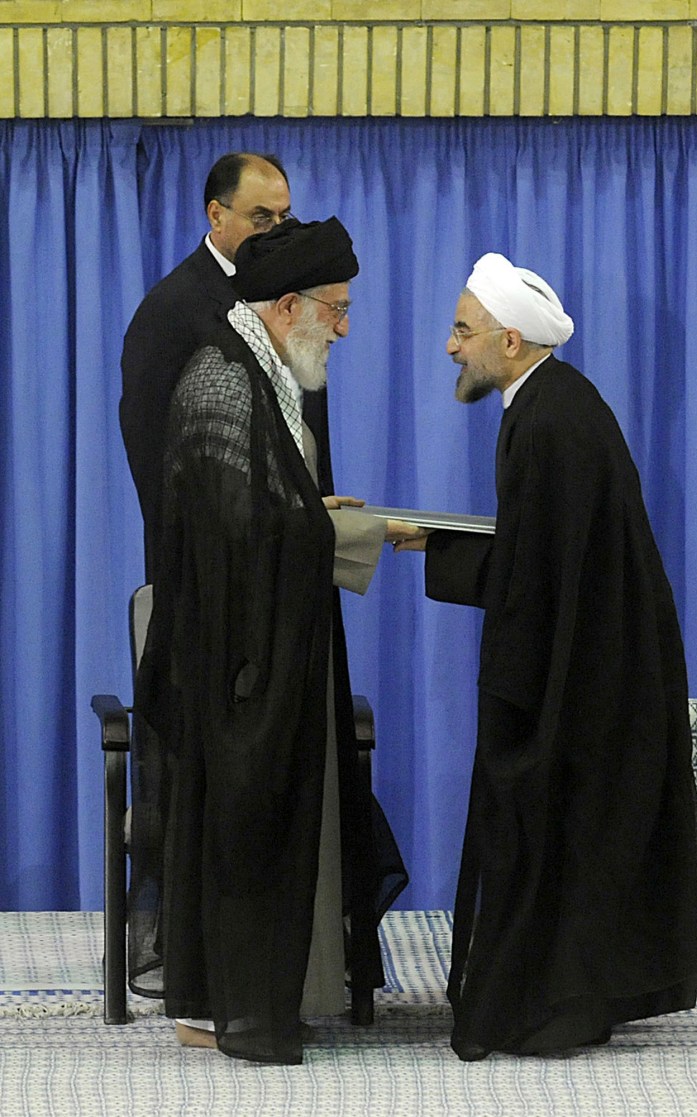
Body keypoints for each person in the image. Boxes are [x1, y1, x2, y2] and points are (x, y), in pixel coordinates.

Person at [397, 253, 697, 1060]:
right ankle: (564, 1002)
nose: (450, 347)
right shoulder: (552, 402)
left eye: (462, 331)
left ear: (509, 341)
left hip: (588, 673)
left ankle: (551, 1009)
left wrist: (439, 550)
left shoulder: (546, 420)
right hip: (600, 660)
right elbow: (541, 553)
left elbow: (535, 576)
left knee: (560, 830)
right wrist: (439, 543)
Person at [131, 218, 423, 1065]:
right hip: (235, 669)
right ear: (288, 305)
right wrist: (349, 531)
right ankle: (223, 1005)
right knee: (239, 830)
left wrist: (312, 510)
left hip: (253, 655)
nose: (344, 328)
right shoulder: (224, 380)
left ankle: (246, 997)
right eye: (337, 309)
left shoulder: (255, 370)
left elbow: (258, 507)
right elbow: (237, 538)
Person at [120, 150, 330, 578]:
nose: (277, 231)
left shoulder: (291, 295)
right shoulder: (169, 311)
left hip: (298, 550)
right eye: (261, 218)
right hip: (213, 566)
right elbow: (153, 455)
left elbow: (307, 425)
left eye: (284, 217)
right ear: (216, 215)